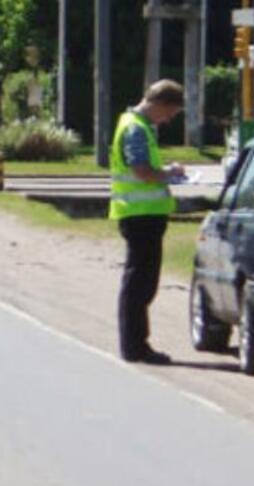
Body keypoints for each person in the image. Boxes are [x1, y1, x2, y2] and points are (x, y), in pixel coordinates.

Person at [109, 79, 185, 365]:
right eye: (170, 114)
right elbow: (141, 171)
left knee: (142, 281)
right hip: (139, 214)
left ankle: (136, 343)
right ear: (160, 104)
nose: (167, 120)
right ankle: (135, 346)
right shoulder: (135, 128)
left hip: (143, 213)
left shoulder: (136, 125)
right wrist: (170, 173)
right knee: (139, 282)